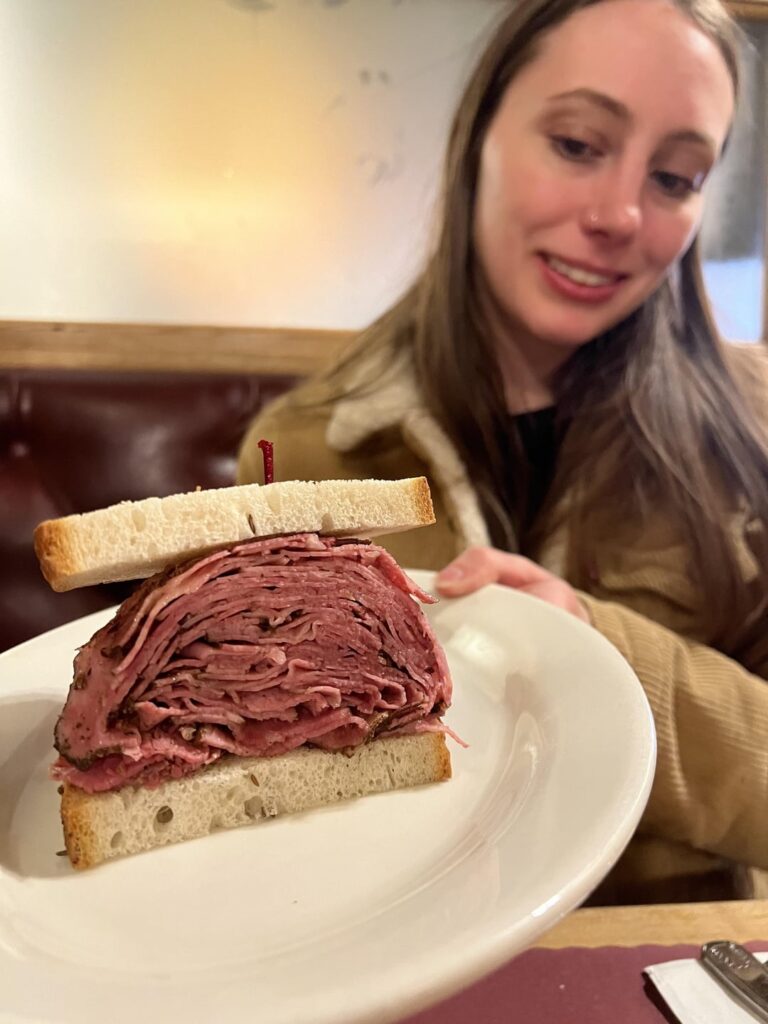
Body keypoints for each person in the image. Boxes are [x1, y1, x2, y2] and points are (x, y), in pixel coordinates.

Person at [238, 0, 768, 904]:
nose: (619, 214)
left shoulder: (751, 417)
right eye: (576, 144)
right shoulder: (304, 448)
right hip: (406, 945)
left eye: (676, 177)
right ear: (476, 137)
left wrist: (601, 653)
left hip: (660, 953)